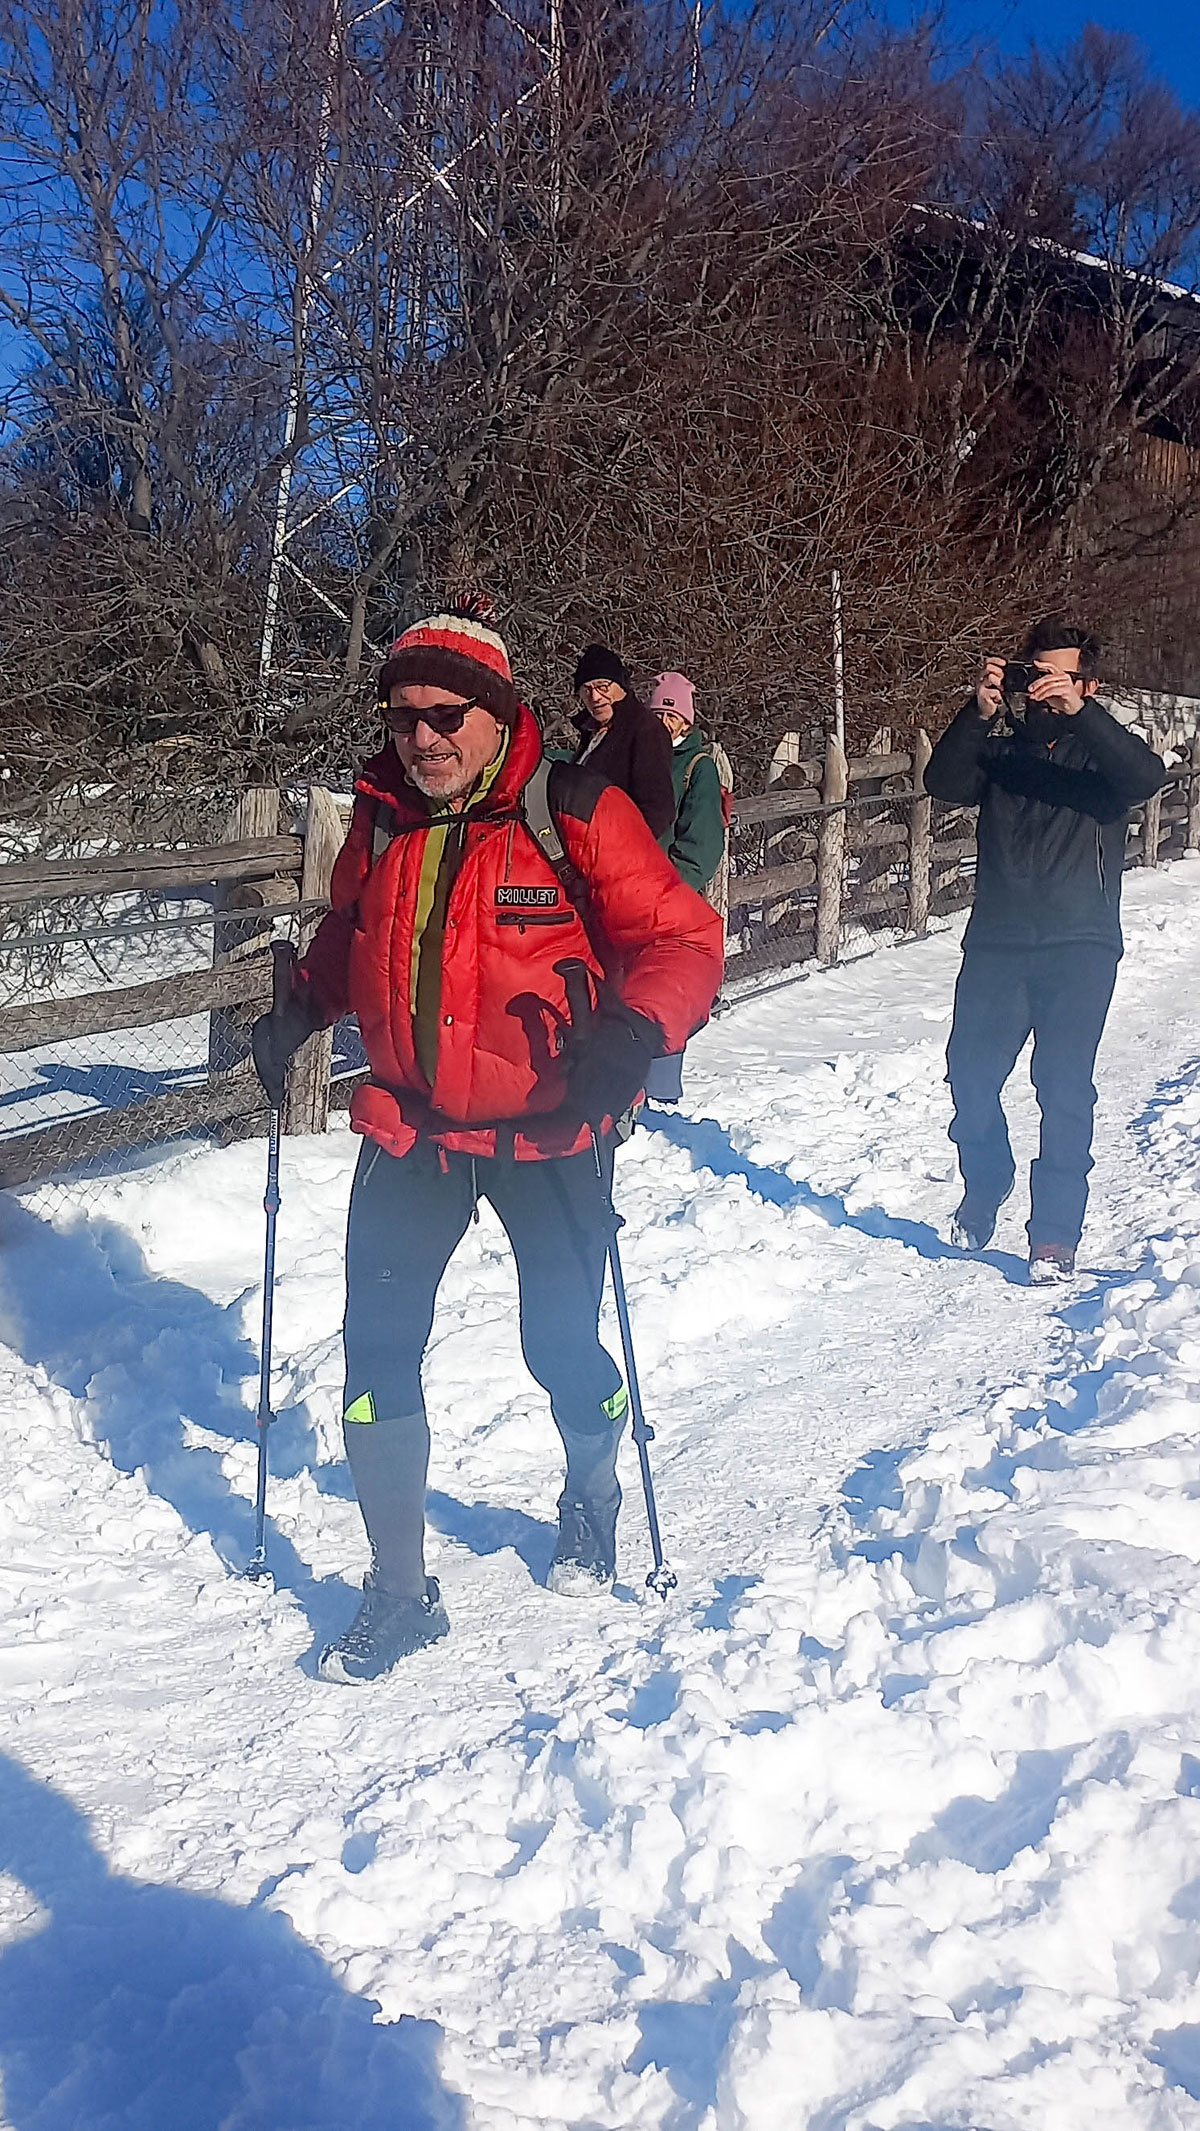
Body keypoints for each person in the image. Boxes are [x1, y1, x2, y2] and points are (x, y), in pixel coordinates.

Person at [252, 598, 723, 1682]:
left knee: (558, 1345)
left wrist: (637, 1029)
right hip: (411, 1128)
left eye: (445, 714)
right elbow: (351, 934)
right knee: (375, 1358)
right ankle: (399, 1591)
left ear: (496, 714)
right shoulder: (382, 820)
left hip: (553, 1132)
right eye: (403, 715)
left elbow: (684, 938)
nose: (422, 736)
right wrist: (302, 1006)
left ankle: (592, 1491)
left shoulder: (572, 810)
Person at [924, 615, 1165, 1283]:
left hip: (1080, 945)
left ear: (1090, 684)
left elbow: (1144, 778)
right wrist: (977, 713)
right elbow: (944, 783)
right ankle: (987, 1177)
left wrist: (1082, 715)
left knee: (1062, 1089)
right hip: (997, 942)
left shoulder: (1103, 755)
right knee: (970, 1077)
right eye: (1038, 674)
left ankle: (1055, 1235)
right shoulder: (1003, 750)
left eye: (1062, 677)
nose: (1046, 688)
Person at [643, 670, 732, 1103]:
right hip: (622, 894)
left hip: (667, 900)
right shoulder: (634, 758)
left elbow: (701, 845)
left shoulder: (698, 768)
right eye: (657, 713)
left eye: (671, 714)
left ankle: (660, 1092)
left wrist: (669, 891)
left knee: (665, 991)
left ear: (686, 720)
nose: (663, 722)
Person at [570, 644, 676, 841]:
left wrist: (621, 846)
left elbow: (657, 809)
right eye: (586, 689)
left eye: (602, 686)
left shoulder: (645, 730)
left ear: (620, 685)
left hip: (616, 850)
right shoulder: (592, 733)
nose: (595, 697)